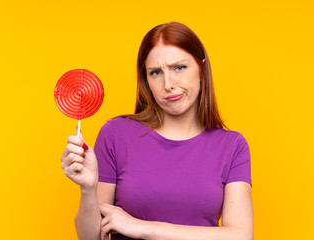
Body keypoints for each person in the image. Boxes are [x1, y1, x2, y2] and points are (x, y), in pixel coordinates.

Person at [60, 21, 254, 240]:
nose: (168, 84)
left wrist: (141, 227)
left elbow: (240, 236)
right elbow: (91, 238)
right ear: (146, 80)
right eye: (155, 72)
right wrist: (87, 189)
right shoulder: (116, 134)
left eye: (179, 68)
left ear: (201, 68)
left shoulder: (232, 146)